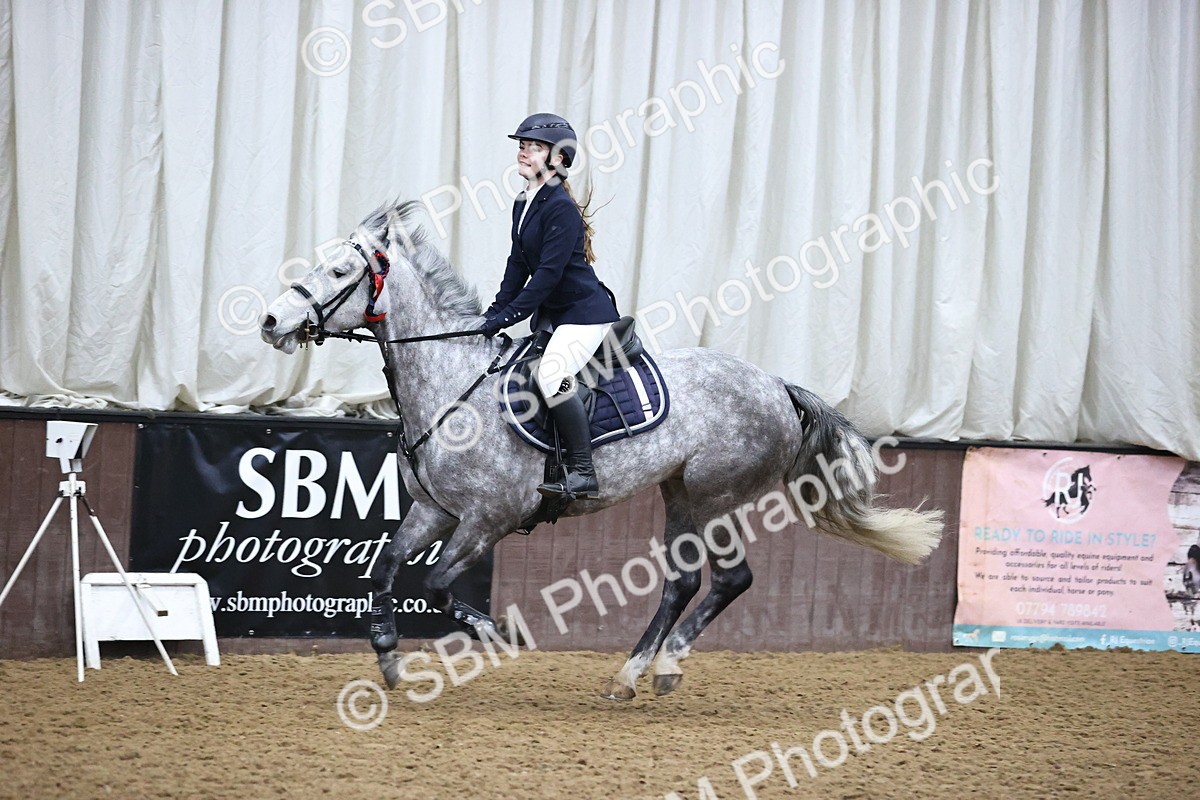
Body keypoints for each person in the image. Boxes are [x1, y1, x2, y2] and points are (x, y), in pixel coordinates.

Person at [481, 113, 620, 501]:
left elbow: (547, 276)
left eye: (534, 147)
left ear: (558, 160)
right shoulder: (524, 201)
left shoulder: (560, 207)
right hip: (556, 317)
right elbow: (517, 265)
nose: (524, 150)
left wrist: (509, 317)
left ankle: (582, 471)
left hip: (583, 315)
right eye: (522, 145)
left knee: (551, 375)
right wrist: (492, 313)